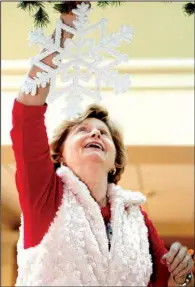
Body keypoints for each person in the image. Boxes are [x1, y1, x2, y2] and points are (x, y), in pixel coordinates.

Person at [10, 11, 194, 287]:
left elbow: (166, 280)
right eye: (82, 130)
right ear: (60, 155)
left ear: (115, 163)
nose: (94, 132)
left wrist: (183, 272)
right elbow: (26, 114)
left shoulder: (136, 217)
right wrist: (66, 28)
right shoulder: (44, 195)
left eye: (103, 133)